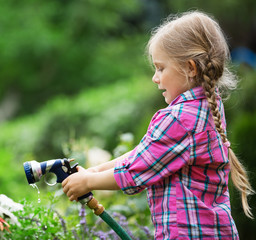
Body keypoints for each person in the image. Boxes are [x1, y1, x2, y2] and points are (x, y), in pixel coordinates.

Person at [62, 11, 254, 239]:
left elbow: (136, 171)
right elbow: (145, 155)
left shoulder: (179, 119)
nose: (155, 77)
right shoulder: (207, 107)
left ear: (191, 68)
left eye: (161, 68)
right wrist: (94, 171)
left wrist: (88, 182)